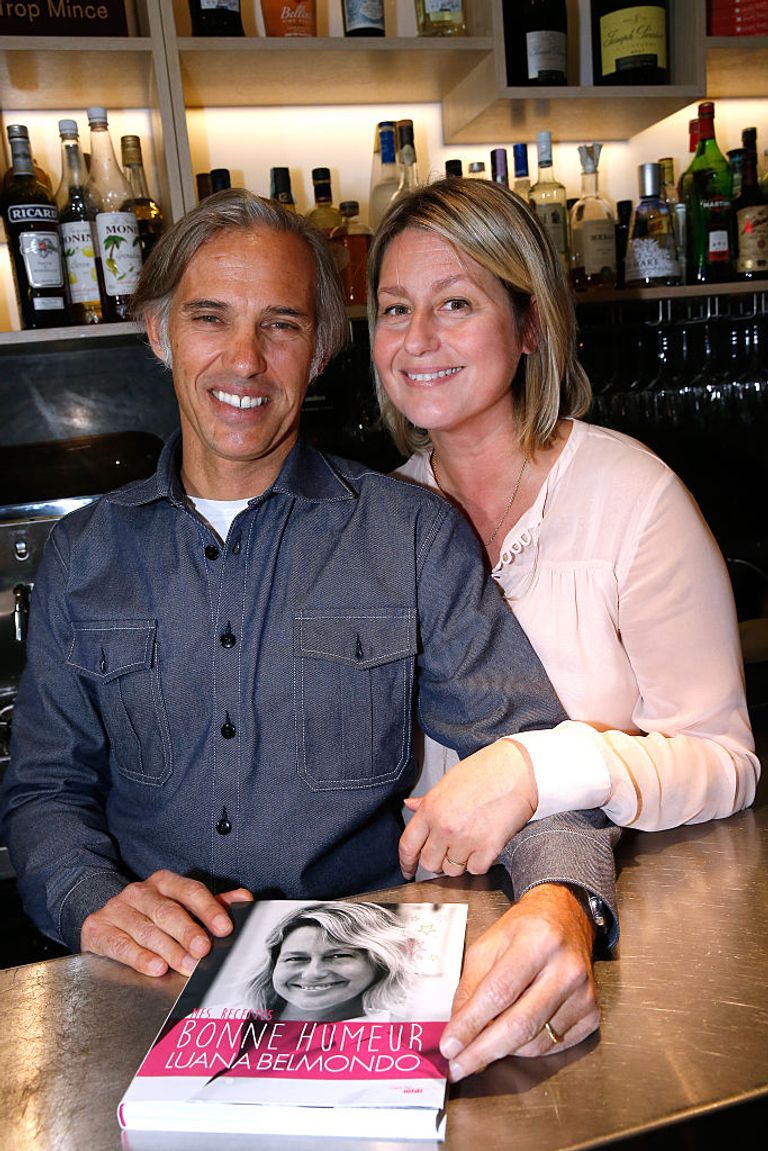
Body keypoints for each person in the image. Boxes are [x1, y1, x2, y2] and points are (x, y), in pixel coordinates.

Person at [0, 189, 619, 1083]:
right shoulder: (84, 552)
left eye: (281, 325)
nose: (244, 360)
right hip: (143, 998)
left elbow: (533, 754)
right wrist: (93, 900)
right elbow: (43, 793)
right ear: (158, 329)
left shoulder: (410, 535)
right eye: (210, 317)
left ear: (322, 347)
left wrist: (564, 901)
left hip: (366, 992)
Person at [366, 175, 759, 880]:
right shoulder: (373, 520)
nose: (417, 339)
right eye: (396, 309)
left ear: (530, 325)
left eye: (455, 302)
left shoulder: (634, 499)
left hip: (620, 904)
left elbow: (727, 764)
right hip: (424, 922)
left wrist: (537, 766)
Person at [246, 902, 415, 1022]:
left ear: (380, 965)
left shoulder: (395, 1062)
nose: (313, 973)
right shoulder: (225, 1017)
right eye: (296, 958)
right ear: (273, 966)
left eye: (338, 956)